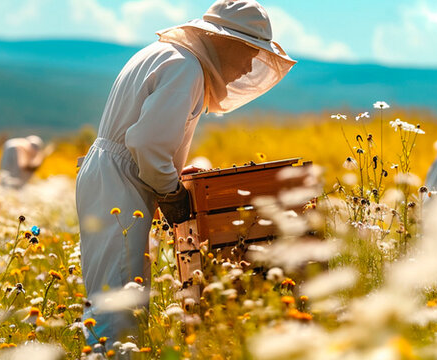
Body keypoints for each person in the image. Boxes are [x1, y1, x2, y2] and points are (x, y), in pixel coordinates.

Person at [75, 0, 295, 346]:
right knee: (117, 308)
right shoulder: (185, 67)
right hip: (120, 183)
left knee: (115, 296)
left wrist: (172, 175)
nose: (249, 66)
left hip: (112, 177)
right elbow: (147, 143)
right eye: (249, 52)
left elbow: (145, 138)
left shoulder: (170, 56)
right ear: (225, 42)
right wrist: (170, 189)